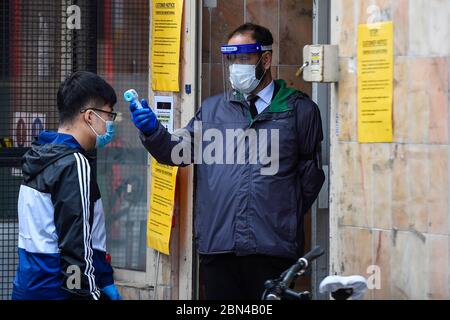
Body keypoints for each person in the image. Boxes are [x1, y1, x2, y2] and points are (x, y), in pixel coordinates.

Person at [129, 23, 325, 300]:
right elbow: (177, 152)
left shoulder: (299, 110)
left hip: (273, 247)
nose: (236, 67)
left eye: (243, 58)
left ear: (266, 60)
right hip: (219, 246)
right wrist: (152, 131)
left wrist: (283, 211)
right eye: (231, 59)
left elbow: (310, 177)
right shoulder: (212, 110)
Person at [12, 71, 122, 300]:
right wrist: (89, 294)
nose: (110, 124)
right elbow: (76, 244)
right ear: (90, 116)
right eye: (109, 115)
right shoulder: (74, 163)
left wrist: (105, 278)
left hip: (29, 287)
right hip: (58, 292)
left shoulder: (40, 155)